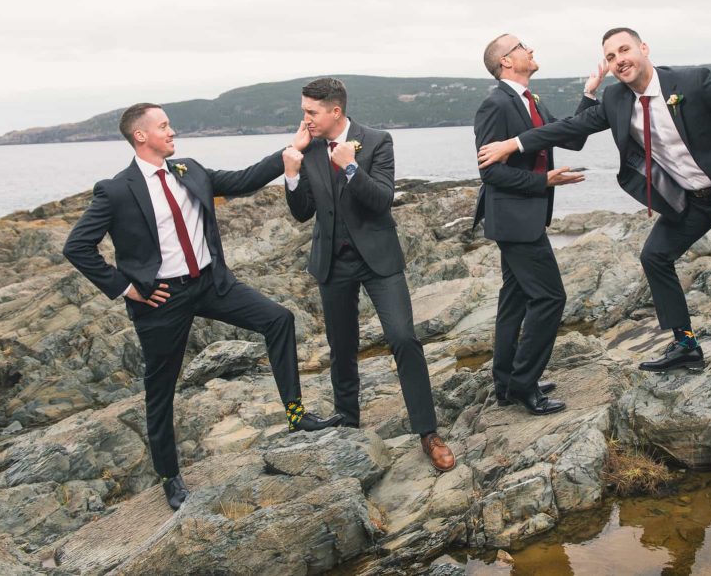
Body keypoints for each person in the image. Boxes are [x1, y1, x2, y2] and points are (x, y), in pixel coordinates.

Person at [477, 28, 711, 411]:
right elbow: (572, 129)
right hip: (689, 200)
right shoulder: (616, 98)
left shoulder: (694, 81)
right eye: (610, 57)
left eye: (623, 50)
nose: (618, 60)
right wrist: (515, 143)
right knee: (654, 256)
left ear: (643, 49)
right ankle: (686, 344)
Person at [63, 103, 340, 510]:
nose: (172, 131)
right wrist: (126, 287)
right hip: (161, 301)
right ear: (141, 136)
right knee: (161, 389)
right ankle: (169, 477)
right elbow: (77, 247)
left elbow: (244, 180)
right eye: (164, 126)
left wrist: (290, 152)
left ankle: (297, 414)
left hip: (211, 283)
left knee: (278, 319)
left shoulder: (188, 169)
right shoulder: (117, 189)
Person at [282, 78, 456, 472]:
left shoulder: (377, 141)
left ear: (335, 111)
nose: (305, 118)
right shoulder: (306, 148)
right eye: (304, 111)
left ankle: (428, 432)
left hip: (378, 259)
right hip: (332, 262)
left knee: (403, 337)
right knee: (341, 348)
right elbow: (302, 211)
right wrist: (292, 171)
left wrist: (350, 168)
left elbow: (381, 200)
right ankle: (348, 421)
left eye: (311, 112)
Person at [473, 33, 603, 415]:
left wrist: (589, 95)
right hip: (514, 220)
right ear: (506, 62)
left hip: (524, 218)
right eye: (521, 46)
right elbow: (489, 173)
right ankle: (524, 384)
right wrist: (542, 182)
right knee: (550, 298)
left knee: (514, 301)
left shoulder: (532, 100)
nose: (530, 49)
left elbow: (569, 138)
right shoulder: (495, 104)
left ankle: (506, 382)